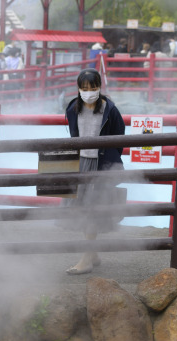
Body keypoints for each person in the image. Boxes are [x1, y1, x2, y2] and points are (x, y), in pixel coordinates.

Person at [64, 68, 125, 275]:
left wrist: (109, 163)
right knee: (81, 209)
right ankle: (93, 252)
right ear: (78, 88)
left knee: (91, 210)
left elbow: (119, 139)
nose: (88, 92)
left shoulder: (110, 110)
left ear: (100, 87)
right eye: (84, 88)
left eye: (93, 88)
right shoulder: (73, 107)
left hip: (99, 165)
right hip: (79, 163)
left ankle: (86, 258)